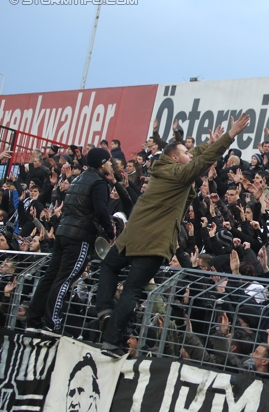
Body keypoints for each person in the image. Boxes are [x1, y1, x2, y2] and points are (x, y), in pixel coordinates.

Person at [96, 114, 250, 357]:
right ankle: (112, 342)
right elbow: (198, 163)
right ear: (176, 158)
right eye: (186, 154)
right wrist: (229, 138)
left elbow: (195, 156)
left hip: (132, 236)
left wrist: (210, 143)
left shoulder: (164, 169)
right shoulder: (178, 174)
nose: (191, 155)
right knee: (132, 291)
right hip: (154, 243)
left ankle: (104, 311)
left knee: (109, 266)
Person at [26, 147, 115, 336]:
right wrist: (110, 231)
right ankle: (52, 324)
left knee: (50, 276)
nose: (111, 164)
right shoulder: (99, 183)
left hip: (63, 233)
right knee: (65, 279)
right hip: (79, 237)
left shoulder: (77, 179)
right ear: (101, 163)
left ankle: (33, 320)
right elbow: (101, 210)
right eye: (108, 160)